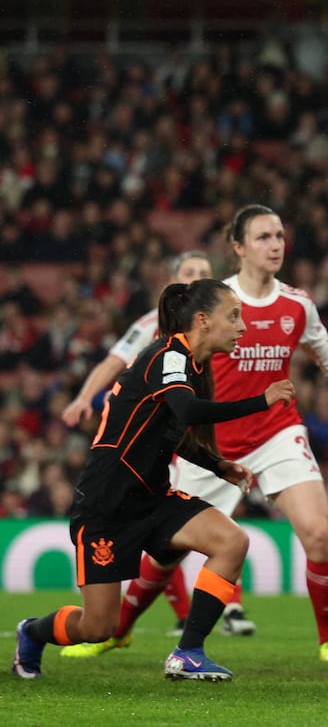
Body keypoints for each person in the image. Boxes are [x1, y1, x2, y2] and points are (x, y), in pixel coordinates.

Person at [69, 205, 328, 663]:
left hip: (277, 432)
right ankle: (116, 630)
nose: (275, 244)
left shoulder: (298, 304)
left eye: (279, 235)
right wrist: (90, 394)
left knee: (319, 535)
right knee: (163, 557)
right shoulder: (209, 305)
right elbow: (143, 359)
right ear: (237, 247)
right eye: (263, 237)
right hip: (211, 440)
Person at [12, 280, 295, 682]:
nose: (242, 326)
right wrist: (260, 401)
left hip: (152, 497)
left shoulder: (193, 366)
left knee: (232, 541)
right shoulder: (168, 356)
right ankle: (32, 632)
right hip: (107, 503)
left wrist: (219, 466)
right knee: (98, 628)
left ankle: (189, 653)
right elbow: (190, 411)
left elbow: (170, 431)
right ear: (202, 320)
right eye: (233, 316)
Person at [59, 250, 212, 645]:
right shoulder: (152, 329)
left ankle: (193, 624)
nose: (196, 280)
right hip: (143, 452)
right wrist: (83, 397)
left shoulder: (218, 325)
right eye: (189, 274)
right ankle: (167, 615)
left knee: (210, 536)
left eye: (204, 274)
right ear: (174, 280)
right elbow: (113, 362)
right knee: (168, 535)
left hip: (182, 440)